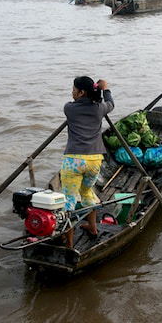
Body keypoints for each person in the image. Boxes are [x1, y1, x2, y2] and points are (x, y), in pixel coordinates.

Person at [61, 76, 114, 248]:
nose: (72, 92)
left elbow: (77, 104)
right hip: (94, 160)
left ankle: (69, 243)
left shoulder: (69, 108)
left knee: (69, 201)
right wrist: (105, 89)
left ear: (81, 92)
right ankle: (92, 227)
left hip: (73, 161)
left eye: (74, 89)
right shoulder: (99, 109)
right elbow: (111, 104)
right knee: (87, 191)